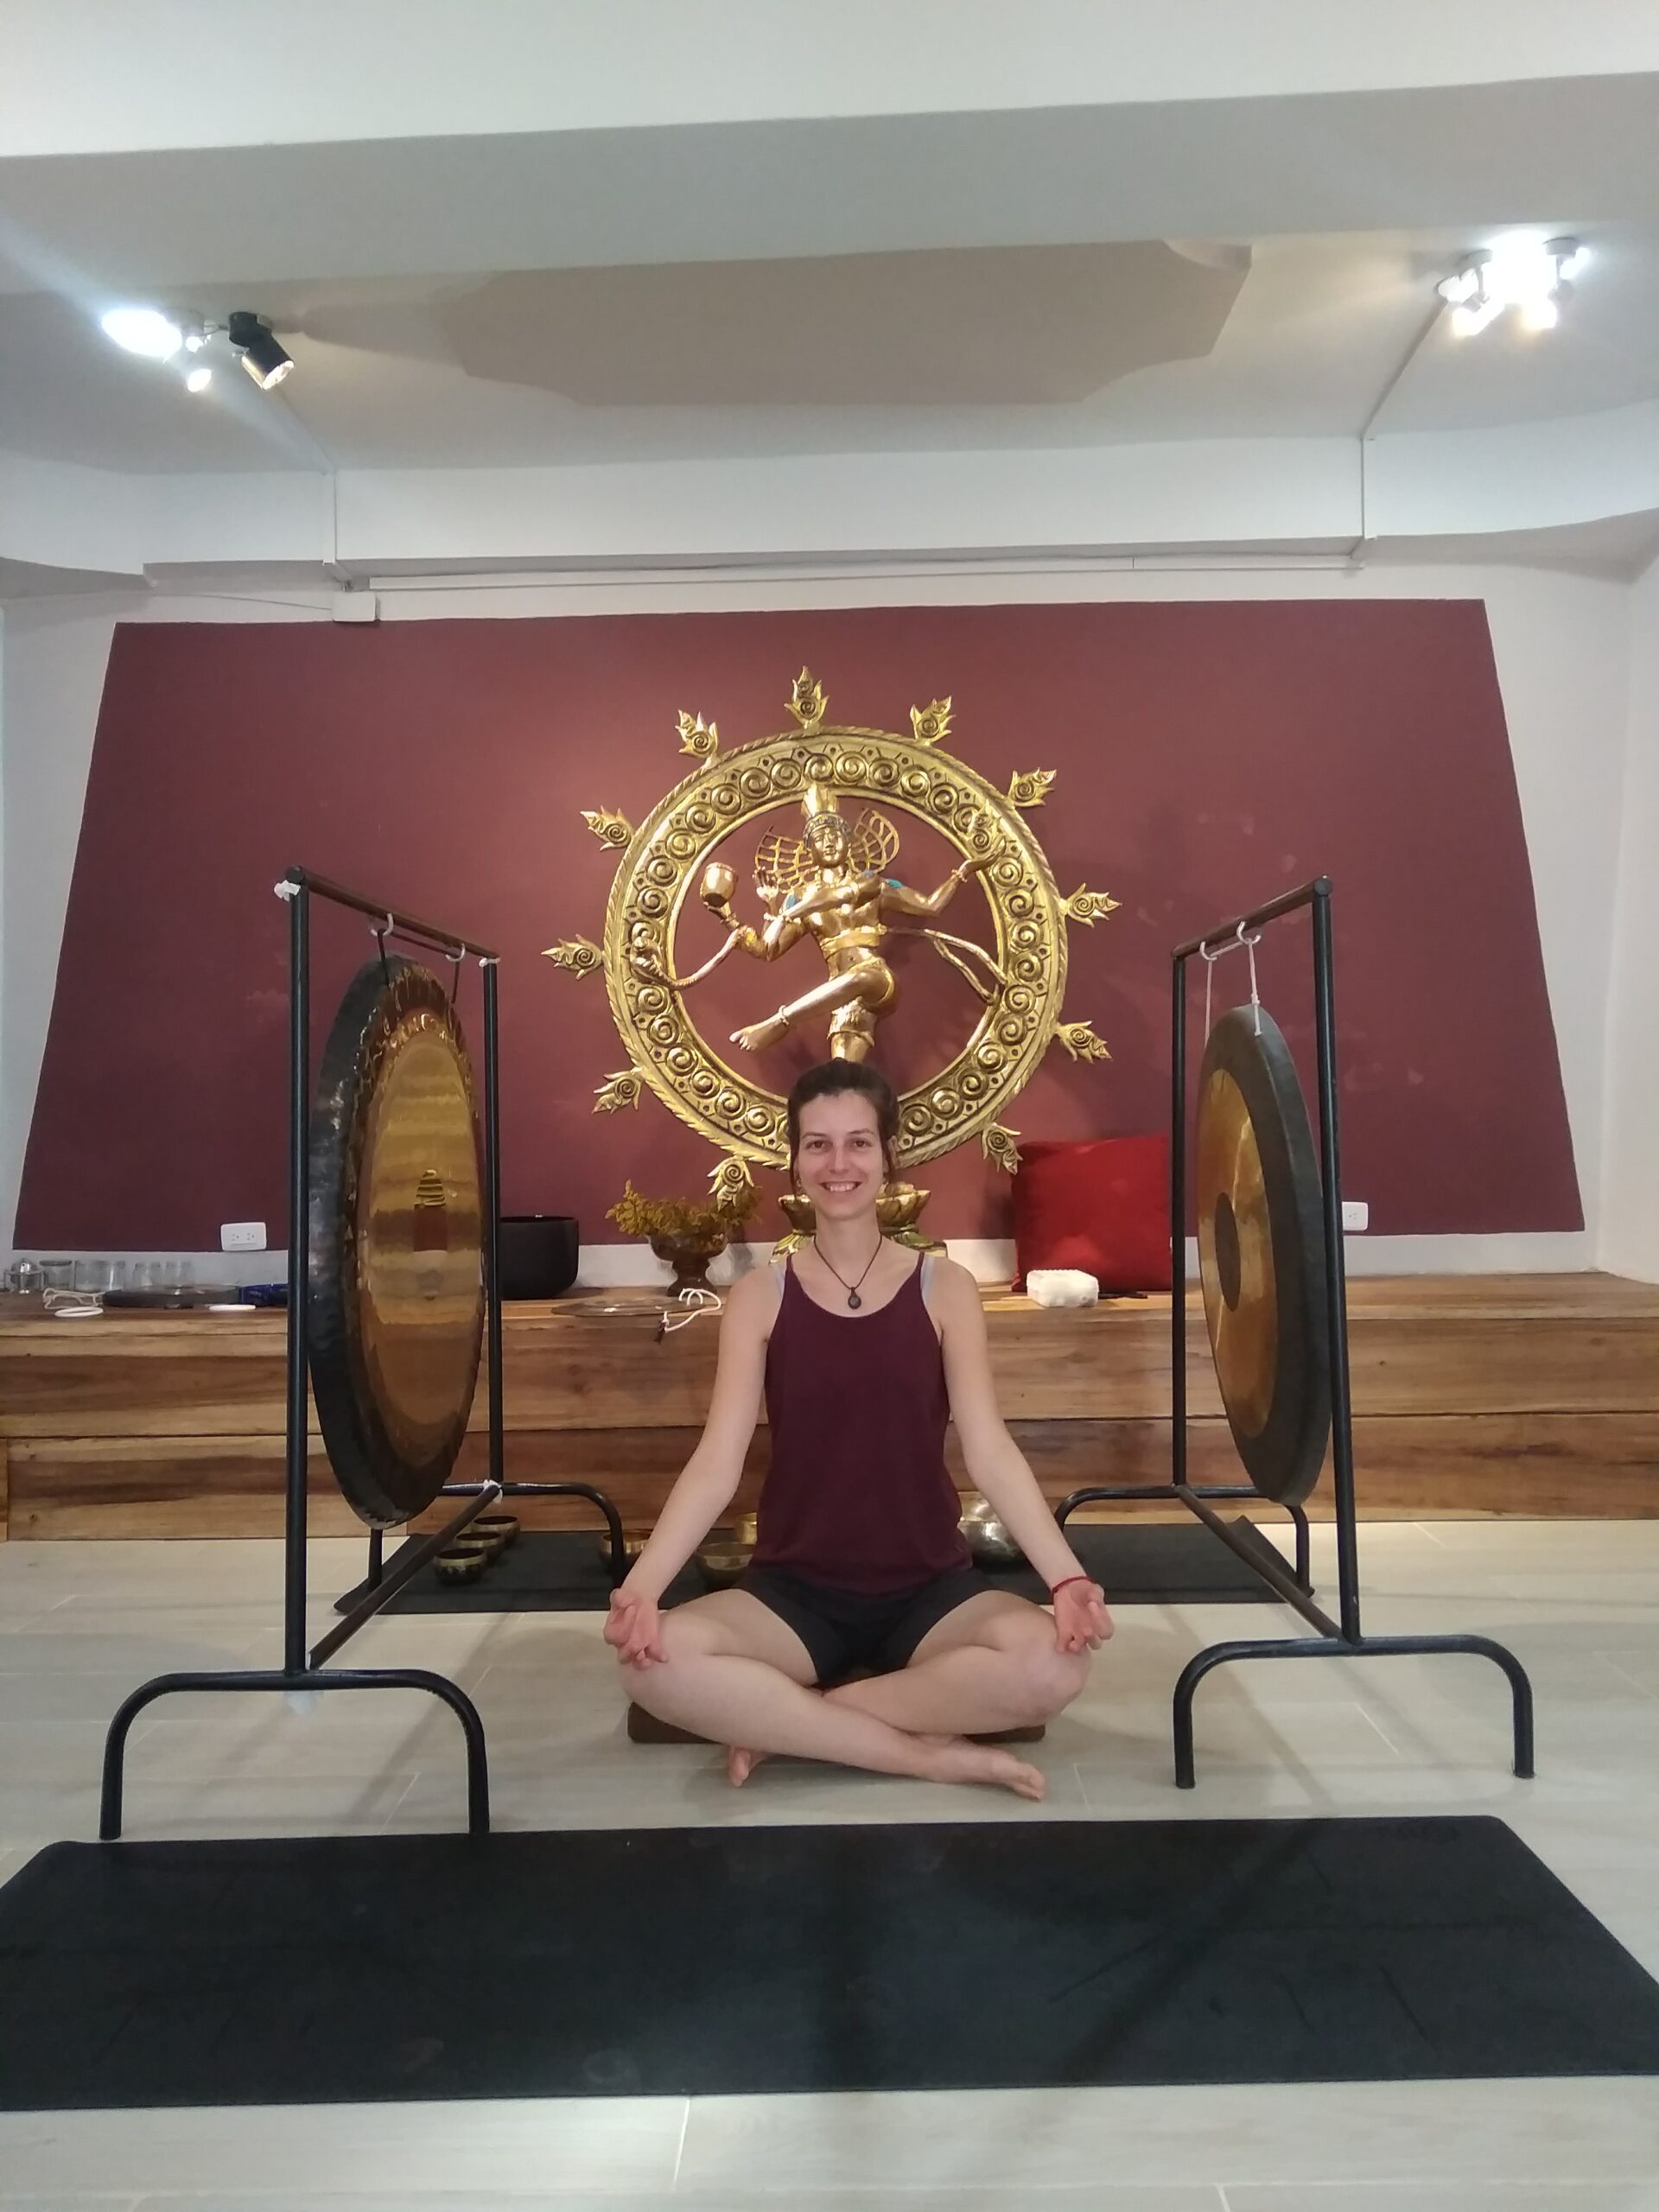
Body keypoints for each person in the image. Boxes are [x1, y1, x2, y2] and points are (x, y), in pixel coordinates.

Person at [605, 1058, 1114, 1798]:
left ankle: (802, 1724)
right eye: (817, 1145)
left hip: (931, 1588)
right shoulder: (757, 1297)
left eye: (857, 1144)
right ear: (793, 1160)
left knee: (1056, 1664)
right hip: (793, 1592)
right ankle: (926, 1756)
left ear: (887, 1155)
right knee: (651, 1662)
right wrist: (643, 1589)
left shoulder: (947, 1288)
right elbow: (717, 1462)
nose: (838, 1164)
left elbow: (989, 1449)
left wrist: (1066, 1579)